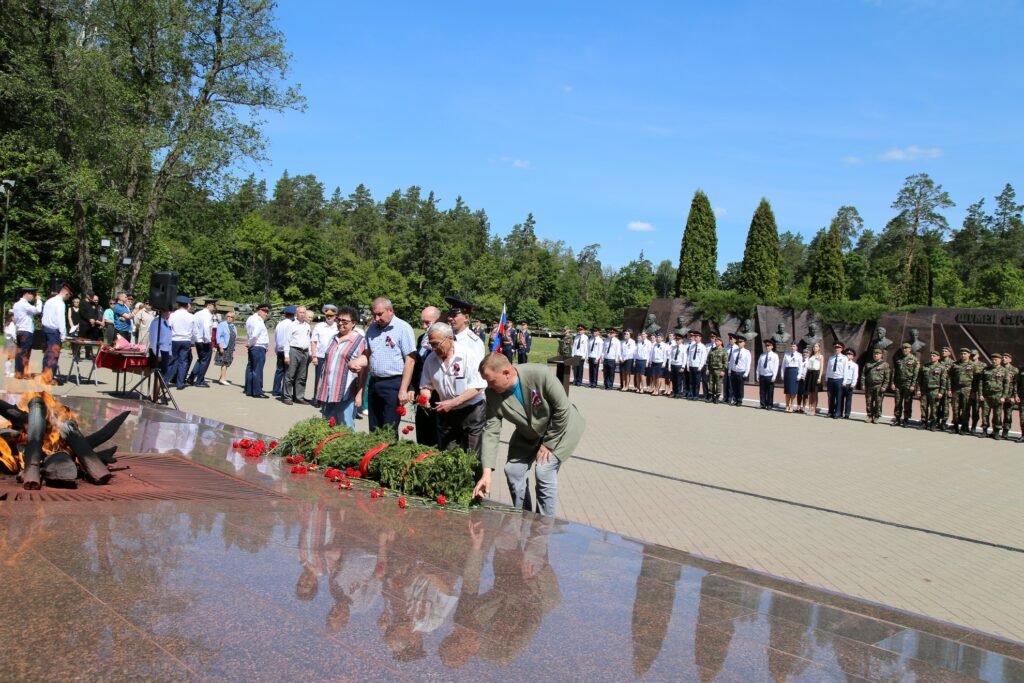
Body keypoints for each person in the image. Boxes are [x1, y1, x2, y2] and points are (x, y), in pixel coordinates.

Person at [474, 353, 586, 516]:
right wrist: (486, 474)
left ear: (507, 373)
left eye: (491, 380)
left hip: (560, 428)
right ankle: (524, 517)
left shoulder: (540, 374)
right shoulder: (492, 395)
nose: (488, 386)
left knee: (544, 470)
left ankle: (544, 524)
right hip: (529, 433)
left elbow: (562, 410)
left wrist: (548, 444)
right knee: (513, 471)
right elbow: (491, 431)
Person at [420, 321, 487, 454]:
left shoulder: (468, 355)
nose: (433, 348)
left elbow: (478, 386)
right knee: (447, 454)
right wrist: (424, 396)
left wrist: (453, 403)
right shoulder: (431, 360)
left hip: (471, 411)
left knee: (472, 456)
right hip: (446, 413)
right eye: (431, 344)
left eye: (436, 344)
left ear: (450, 338)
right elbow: (426, 386)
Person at [362, 297, 417, 435]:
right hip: (374, 382)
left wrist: (403, 389)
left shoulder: (403, 328)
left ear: (390, 311)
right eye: (374, 314)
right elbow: (367, 354)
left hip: (393, 383)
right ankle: (373, 456)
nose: (376, 318)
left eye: (379, 314)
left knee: (389, 430)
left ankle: (387, 454)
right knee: (374, 428)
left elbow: (410, 360)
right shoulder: (372, 329)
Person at [316, 306, 367, 429]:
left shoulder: (359, 341)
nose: (340, 323)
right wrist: (319, 386)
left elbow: (363, 372)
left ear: (354, 323)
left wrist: (360, 394)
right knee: (327, 426)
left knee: (346, 427)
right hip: (328, 391)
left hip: (345, 393)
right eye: (338, 320)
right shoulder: (333, 338)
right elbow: (325, 366)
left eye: (345, 321)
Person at [413, 305, 442, 447]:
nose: (424, 326)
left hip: (438, 395)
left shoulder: (446, 341)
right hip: (422, 392)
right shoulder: (421, 339)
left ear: (437, 321)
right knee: (422, 431)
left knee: (436, 435)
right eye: (422, 322)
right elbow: (417, 365)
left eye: (427, 323)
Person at [41, 282, 71, 382]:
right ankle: (48, 378)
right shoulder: (60, 303)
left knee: (47, 354)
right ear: (67, 294)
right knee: (53, 355)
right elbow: (60, 320)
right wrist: (63, 334)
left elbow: (43, 316)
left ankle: (44, 375)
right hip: (54, 331)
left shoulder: (49, 301)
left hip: (45, 329)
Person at [282, 306, 311, 405]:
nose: (302, 314)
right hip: (294, 350)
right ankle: (287, 397)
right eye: (300, 312)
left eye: (304, 313)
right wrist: (286, 355)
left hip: (305, 352)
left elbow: (308, 340)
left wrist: (310, 354)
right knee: (290, 375)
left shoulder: (307, 326)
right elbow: (286, 341)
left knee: (302, 376)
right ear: (296, 314)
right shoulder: (291, 325)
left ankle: (299, 396)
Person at [310, 305, 339, 404]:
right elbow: (313, 342)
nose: (329, 317)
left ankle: (328, 399)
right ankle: (317, 398)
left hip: (334, 357)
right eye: (327, 315)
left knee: (331, 378)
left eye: (331, 315)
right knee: (319, 378)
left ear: (335, 316)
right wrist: (314, 356)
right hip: (321, 356)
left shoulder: (338, 327)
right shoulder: (319, 326)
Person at [11, 286, 42, 378]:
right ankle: (22, 372)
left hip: (20, 330)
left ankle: (18, 371)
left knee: (20, 352)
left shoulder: (16, 304)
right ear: (27, 294)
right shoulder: (24, 304)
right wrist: (39, 301)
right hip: (26, 331)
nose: (33, 297)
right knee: (25, 352)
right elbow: (38, 310)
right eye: (33, 295)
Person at [167, 295, 195, 390]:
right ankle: (180, 383)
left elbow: (169, 327)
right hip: (186, 340)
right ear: (187, 305)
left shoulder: (172, 315)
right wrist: (192, 341)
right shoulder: (191, 316)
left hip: (174, 339)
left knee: (172, 360)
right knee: (183, 362)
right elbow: (193, 331)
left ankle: (166, 380)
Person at [187, 298, 216, 388]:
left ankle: (191, 377)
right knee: (205, 361)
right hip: (204, 340)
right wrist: (208, 340)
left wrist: (195, 339)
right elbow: (206, 328)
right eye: (214, 306)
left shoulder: (197, 314)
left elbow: (194, 327)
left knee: (200, 359)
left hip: (198, 340)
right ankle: (200, 380)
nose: (214, 308)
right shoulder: (207, 315)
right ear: (209, 305)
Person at [979, 353, 1009, 439]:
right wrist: (981, 394)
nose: (994, 361)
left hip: (998, 396)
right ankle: (984, 431)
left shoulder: (1004, 370)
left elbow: (1006, 385)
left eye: (996, 359)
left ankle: (996, 432)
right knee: (985, 414)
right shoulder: (986, 370)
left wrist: (1004, 396)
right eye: (992, 359)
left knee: (997, 415)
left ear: (1000, 360)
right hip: (986, 396)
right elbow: (981, 383)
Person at [244, 303, 271, 398]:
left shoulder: (250, 319)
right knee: (257, 369)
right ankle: (257, 391)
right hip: (258, 347)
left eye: (267, 312)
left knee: (251, 368)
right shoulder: (259, 321)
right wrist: (250, 343)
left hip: (254, 346)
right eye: (265, 311)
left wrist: (250, 344)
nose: (266, 314)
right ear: (259, 310)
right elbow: (255, 335)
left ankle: (249, 389)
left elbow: (248, 332)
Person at [948, 348, 976, 435]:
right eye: (962, 354)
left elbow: (976, 380)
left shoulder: (973, 365)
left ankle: (964, 426)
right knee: (955, 408)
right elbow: (950, 378)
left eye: (965, 353)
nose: (963, 355)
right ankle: (955, 426)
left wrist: (973, 391)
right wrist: (949, 389)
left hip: (967, 389)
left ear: (969, 355)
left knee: (965, 409)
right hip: (956, 389)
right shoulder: (955, 365)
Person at [890, 342, 919, 427]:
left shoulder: (914, 359)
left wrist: (913, 385)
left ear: (910, 349)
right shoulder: (898, 359)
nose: (905, 350)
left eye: (906, 348)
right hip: (898, 383)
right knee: (897, 402)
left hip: (908, 383)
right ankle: (897, 419)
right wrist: (892, 383)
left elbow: (915, 374)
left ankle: (906, 420)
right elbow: (894, 372)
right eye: (903, 348)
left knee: (907, 402)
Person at [916, 350, 946, 431]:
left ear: (938, 357)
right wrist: (918, 390)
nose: (932, 357)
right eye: (931, 356)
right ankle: (924, 422)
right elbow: (919, 379)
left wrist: (941, 392)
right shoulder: (925, 366)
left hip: (935, 390)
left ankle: (933, 423)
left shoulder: (941, 367)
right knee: (923, 406)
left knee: (934, 407)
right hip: (924, 390)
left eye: (934, 356)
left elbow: (943, 381)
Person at [862, 348, 891, 424]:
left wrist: (884, 386)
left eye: (877, 354)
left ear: (881, 355)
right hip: (869, 386)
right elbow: (863, 375)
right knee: (869, 401)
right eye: (874, 354)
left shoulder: (885, 364)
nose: (875, 355)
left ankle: (877, 416)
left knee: (878, 402)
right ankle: (870, 416)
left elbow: (887, 377)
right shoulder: (868, 364)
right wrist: (862, 384)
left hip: (879, 386)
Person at [272, 305, 296, 396]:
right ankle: (284, 390)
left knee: (279, 370)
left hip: (280, 349)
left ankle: (275, 389)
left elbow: (276, 336)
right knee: (288, 372)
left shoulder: (279, 324)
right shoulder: (291, 324)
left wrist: (277, 347)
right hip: (287, 350)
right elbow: (289, 338)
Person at [824, 342, 848, 419]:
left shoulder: (844, 358)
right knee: (830, 396)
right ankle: (830, 412)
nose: (837, 349)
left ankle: (837, 413)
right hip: (831, 379)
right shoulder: (831, 358)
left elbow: (846, 370)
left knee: (838, 396)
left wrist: (844, 381)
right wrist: (826, 378)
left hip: (839, 379)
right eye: (835, 347)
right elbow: (828, 369)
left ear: (842, 349)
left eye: (838, 348)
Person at [148, 309, 173, 384]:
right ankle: (154, 394)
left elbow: (168, 338)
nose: (169, 313)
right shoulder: (156, 322)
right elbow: (153, 339)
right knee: (159, 375)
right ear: (163, 311)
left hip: (165, 351)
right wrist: (157, 354)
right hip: (158, 351)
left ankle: (156, 394)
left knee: (163, 374)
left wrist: (170, 352)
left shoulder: (166, 322)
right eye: (168, 311)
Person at [214, 311, 238, 385]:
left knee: (227, 363)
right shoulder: (222, 324)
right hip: (224, 346)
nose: (230, 318)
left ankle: (221, 377)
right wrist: (220, 346)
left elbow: (234, 337)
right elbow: (218, 336)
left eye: (232, 317)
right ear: (226, 317)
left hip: (230, 347)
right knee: (224, 363)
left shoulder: (233, 326)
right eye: (228, 316)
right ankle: (222, 379)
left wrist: (233, 348)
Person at [726, 336, 751, 406]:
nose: (739, 343)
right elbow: (731, 362)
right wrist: (729, 371)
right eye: (738, 342)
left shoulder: (747, 352)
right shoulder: (734, 351)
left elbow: (748, 363)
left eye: (740, 342)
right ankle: (735, 399)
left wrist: (746, 373)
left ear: (744, 343)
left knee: (740, 387)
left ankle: (739, 400)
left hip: (741, 372)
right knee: (734, 387)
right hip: (734, 371)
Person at [755, 340, 779, 409]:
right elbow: (758, 366)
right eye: (766, 346)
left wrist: (774, 376)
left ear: (772, 346)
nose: (767, 347)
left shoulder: (774, 355)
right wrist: (757, 375)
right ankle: (762, 404)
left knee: (770, 391)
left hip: (770, 375)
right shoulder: (762, 355)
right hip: (762, 375)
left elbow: (776, 367)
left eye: (768, 346)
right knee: (762, 391)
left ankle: (769, 405)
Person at [685, 331, 708, 400]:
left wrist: (700, 367)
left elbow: (703, 358)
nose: (695, 338)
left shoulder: (702, 347)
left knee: (697, 382)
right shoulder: (692, 346)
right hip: (692, 365)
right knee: (691, 381)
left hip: (698, 366)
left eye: (697, 337)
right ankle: (691, 394)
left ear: (700, 338)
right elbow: (689, 356)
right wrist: (688, 365)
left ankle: (696, 395)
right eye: (695, 337)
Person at [1001, 352, 1018, 439]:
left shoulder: (1014, 370)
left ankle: (1006, 431)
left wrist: (1014, 396)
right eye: (1003, 357)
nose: (1004, 358)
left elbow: (1016, 384)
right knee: (997, 413)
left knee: (1008, 414)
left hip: (1009, 395)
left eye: (1006, 357)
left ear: (1010, 360)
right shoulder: (999, 369)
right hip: (999, 395)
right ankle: (995, 429)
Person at [706, 334, 728, 404]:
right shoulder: (712, 350)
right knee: (711, 383)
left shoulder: (724, 351)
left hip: (719, 370)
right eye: (716, 341)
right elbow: (708, 360)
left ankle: (717, 397)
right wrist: (707, 369)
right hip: (711, 369)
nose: (716, 342)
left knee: (718, 384)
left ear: (721, 342)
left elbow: (726, 362)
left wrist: (723, 370)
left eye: (718, 341)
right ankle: (711, 397)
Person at [804, 342, 824, 416]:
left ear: (819, 348)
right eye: (814, 346)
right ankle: (809, 408)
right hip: (810, 374)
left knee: (815, 393)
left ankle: (814, 409)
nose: (814, 348)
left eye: (816, 346)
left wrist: (819, 377)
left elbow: (821, 367)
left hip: (816, 374)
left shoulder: (821, 356)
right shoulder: (811, 356)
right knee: (810, 393)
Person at [782, 342, 803, 412]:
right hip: (788, 372)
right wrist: (782, 374)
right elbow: (783, 366)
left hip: (794, 372)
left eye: (794, 346)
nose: (792, 347)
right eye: (791, 346)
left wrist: (799, 375)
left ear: (796, 347)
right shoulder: (786, 354)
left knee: (793, 391)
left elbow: (801, 366)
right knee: (787, 391)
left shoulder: (799, 355)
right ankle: (787, 405)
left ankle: (792, 406)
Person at [841, 348, 859, 419]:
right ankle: (839, 412)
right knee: (840, 399)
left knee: (848, 400)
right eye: (847, 354)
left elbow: (855, 375)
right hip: (842, 383)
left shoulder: (854, 365)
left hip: (849, 383)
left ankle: (847, 413)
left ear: (853, 356)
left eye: (850, 354)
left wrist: (853, 383)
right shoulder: (842, 363)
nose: (848, 355)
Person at [4, 311, 15, 377]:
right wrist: (16, 340)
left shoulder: (7, 324)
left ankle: (7, 371)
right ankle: (8, 373)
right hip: (11, 342)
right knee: (10, 358)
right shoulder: (11, 324)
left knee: (9, 358)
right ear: (11, 317)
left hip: (8, 341)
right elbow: (13, 334)